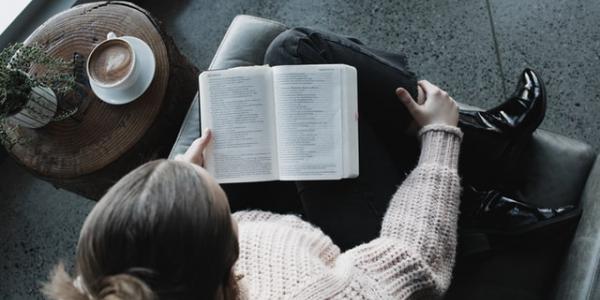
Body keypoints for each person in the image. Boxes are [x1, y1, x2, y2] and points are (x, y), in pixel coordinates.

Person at [43, 28, 576, 299]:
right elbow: (414, 257)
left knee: (291, 54)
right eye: (211, 204)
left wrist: (183, 187)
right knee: (297, 60)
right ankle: (468, 167)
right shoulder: (316, 295)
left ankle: (480, 146)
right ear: (222, 260)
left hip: (282, 242)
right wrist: (440, 137)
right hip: (356, 256)